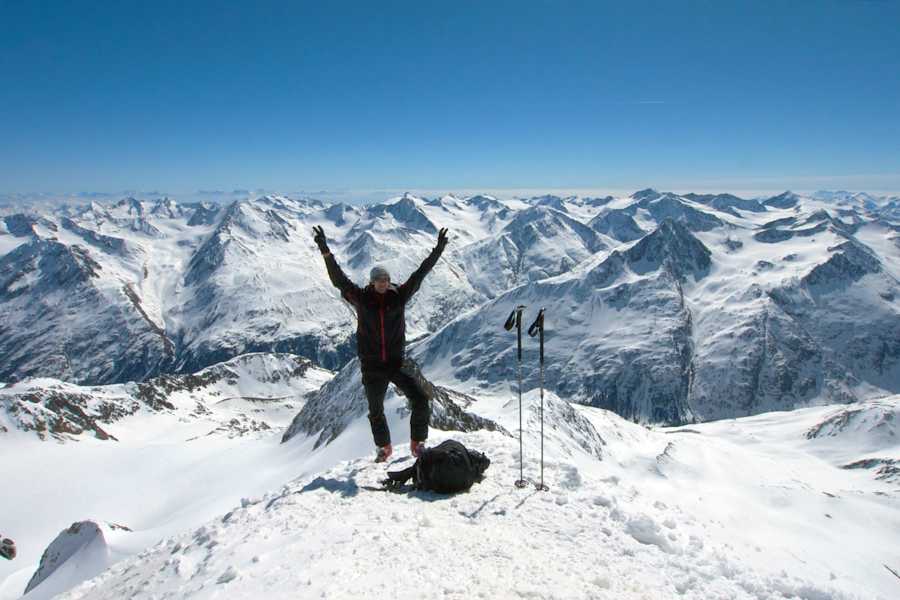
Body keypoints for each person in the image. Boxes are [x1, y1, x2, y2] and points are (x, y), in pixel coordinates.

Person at [313, 225, 449, 462]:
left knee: (420, 399)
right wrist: (325, 251)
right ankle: (384, 448)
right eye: (378, 280)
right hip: (373, 365)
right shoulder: (362, 299)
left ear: (389, 280)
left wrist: (438, 250)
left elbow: (420, 274)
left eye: (385, 279)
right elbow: (339, 281)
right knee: (375, 410)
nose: (383, 283)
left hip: (396, 362)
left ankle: (417, 442)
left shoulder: (399, 296)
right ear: (372, 282)